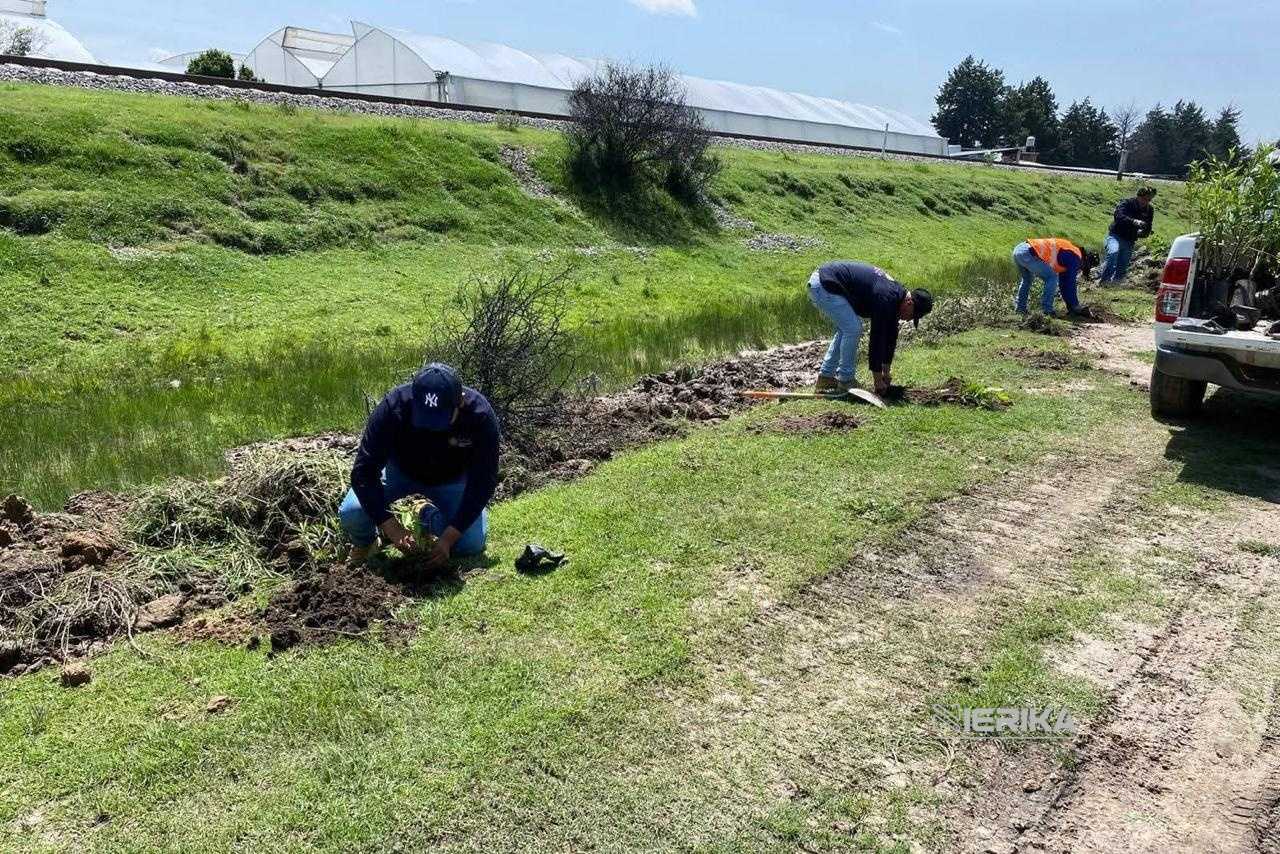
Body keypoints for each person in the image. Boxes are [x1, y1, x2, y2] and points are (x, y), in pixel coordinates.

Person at [339, 363, 500, 568]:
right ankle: (367, 543)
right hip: (399, 472)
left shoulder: (480, 415)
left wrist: (448, 539)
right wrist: (391, 526)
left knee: (470, 544)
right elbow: (363, 472)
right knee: (352, 512)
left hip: (451, 479)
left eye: (439, 419)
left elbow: (484, 481)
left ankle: (424, 514)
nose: (431, 428)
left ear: (459, 401)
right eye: (424, 417)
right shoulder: (393, 406)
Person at [807, 261, 933, 395]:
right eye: (912, 315)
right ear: (909, 302)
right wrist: (878, 381)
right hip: (825, 284)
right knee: (852, 329)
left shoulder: (895, 297)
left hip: (826, 283)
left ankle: (825, 378)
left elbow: (890, 337)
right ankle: (846, 381)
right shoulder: (886, 297)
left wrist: (886, 371)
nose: (909, 319)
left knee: (846, 329)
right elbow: (876, 341)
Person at [1012, 238, 1100, 317]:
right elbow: (1070, 283)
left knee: (1027, 280)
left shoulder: (1072, 251)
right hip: (1029, 253)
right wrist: (1075, 306)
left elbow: (1064, 283)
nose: (1081, 269)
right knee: (1052, 277)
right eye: (1084, 267)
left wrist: (1070, 306)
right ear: (1085, 261)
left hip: (1019, 249)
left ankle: (1020, 309)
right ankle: (1047, 310)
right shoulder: (1076, 258)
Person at [1100, 187, 1157, 283]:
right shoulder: (1126, 203)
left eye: (1149, 200)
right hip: (1115, 236)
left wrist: (1145, 232)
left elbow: (1148, 225)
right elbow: (1119, 217)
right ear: (1138, 196)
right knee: (1113, 254)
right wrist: (1134, 222)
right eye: (1144, 199)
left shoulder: (1149, 210)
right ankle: (1104, 282)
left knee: (1123, 265)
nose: (1146, 202)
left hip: (1130, 240)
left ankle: (1115, 285)